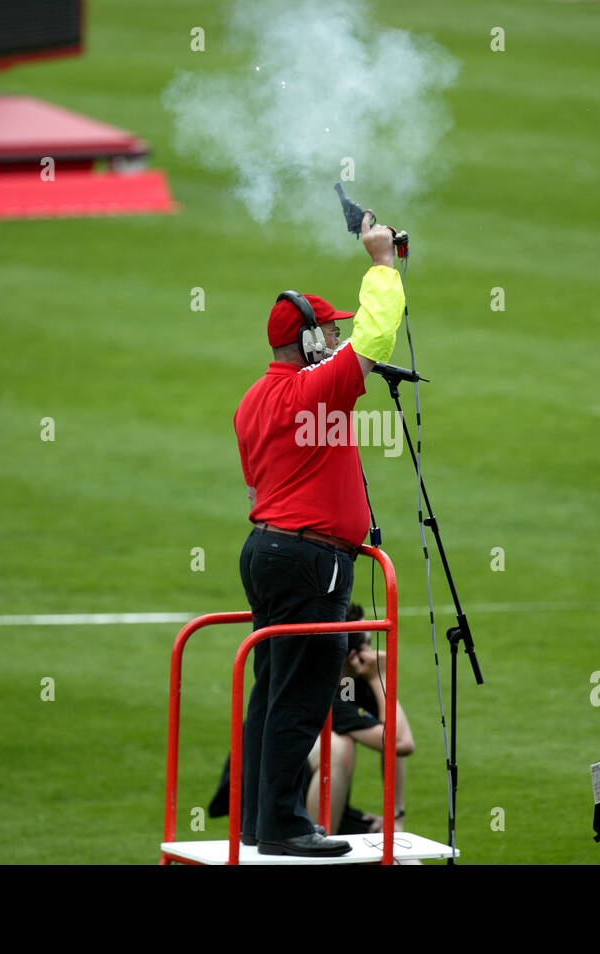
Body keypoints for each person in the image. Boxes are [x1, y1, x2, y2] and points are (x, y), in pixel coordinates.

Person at [233, 216, 405, 856]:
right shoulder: (317, 391)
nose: (335, 337)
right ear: (306, 341)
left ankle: (258, 819)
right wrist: (382, 262)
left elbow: (256, 490)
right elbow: (375, 337)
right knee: (303, 700)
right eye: (325, 330)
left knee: (270, 692)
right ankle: (281, 824)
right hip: (313, 561)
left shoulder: (253, 400)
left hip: (267, 552)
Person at [305, 604, 416, 835]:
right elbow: (398, 743)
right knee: (340, 746)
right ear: (353, 655)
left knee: (405, 861)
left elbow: (399, 741)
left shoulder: (354, 683)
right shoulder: (326, 693)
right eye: (368, 643)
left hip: (333, 810)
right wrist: (380, 678)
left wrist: (395, 817)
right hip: (293, 814)